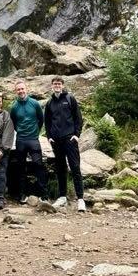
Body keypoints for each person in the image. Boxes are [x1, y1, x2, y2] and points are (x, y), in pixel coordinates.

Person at [44, 76, 86, 212]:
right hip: (56, 141)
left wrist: (76, 135)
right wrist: (49, 137)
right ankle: (62, 196)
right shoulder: (50, 103)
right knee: (60, 169)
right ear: (52, 86)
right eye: (55, 84)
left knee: (75, 167)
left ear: (62, 85)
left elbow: (78, 117)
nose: (57, 85)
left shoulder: (70, 99)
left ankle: (80, 199)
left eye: (59, 84)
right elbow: (47, 122)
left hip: (70, 139)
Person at [9, 80, 48, 202]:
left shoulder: (35, 103)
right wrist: (20, 131)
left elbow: (41, 119)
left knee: (38, 164)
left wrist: (35, 132)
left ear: (27, 89)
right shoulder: (14, 107)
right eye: (18, 89)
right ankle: (22, 194)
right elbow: (14, 123)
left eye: (22, 88)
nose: (21, 91)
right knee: (20, 167)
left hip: (33, 139)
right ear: (16, 91)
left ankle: (44, 194)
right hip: (21, 139)